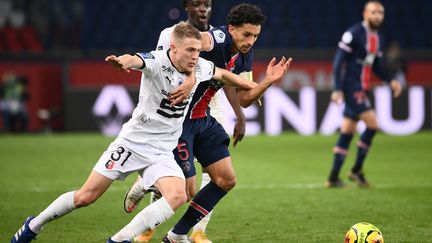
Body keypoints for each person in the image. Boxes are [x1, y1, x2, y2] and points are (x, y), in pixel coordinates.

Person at [10, 22, 287, 243]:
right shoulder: (156, 61)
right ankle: (33, 226)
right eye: (189, 50)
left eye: (197, 50)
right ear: (173, 48)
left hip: (162, 150)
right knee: (86, 197)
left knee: (179, 195)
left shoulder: (201, 67)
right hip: (133, 143)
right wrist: (123, 62)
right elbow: (136, 60)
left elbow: (232, 79)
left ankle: (120, 239)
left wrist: (267, 81)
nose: (195, 55)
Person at [125, 4, 286, 243]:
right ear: (231, 29)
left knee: (226, 179)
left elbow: (244, 99)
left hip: (203, 119)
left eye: (255, 36)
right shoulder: (216, 38)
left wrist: (268, 82)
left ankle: (177, 235)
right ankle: (146, 184)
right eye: (246, 34)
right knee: (187, 191)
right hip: (180, 122)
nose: (251, 41)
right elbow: (185, 43)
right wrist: (190, 78)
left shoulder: (244, 55)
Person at [325, 0, 402, 188]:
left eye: (380, 13)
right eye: (374, 12)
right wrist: (337, 89)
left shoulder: (379, 38)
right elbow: (338, 62)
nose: (377, 16)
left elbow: (376, 65)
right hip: (351, 87)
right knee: (373, 125)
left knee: (347, 131)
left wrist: (390, 80)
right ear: (365, 14)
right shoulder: (353, 34)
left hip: (361, 88)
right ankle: (356, 170)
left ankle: (333, 178)